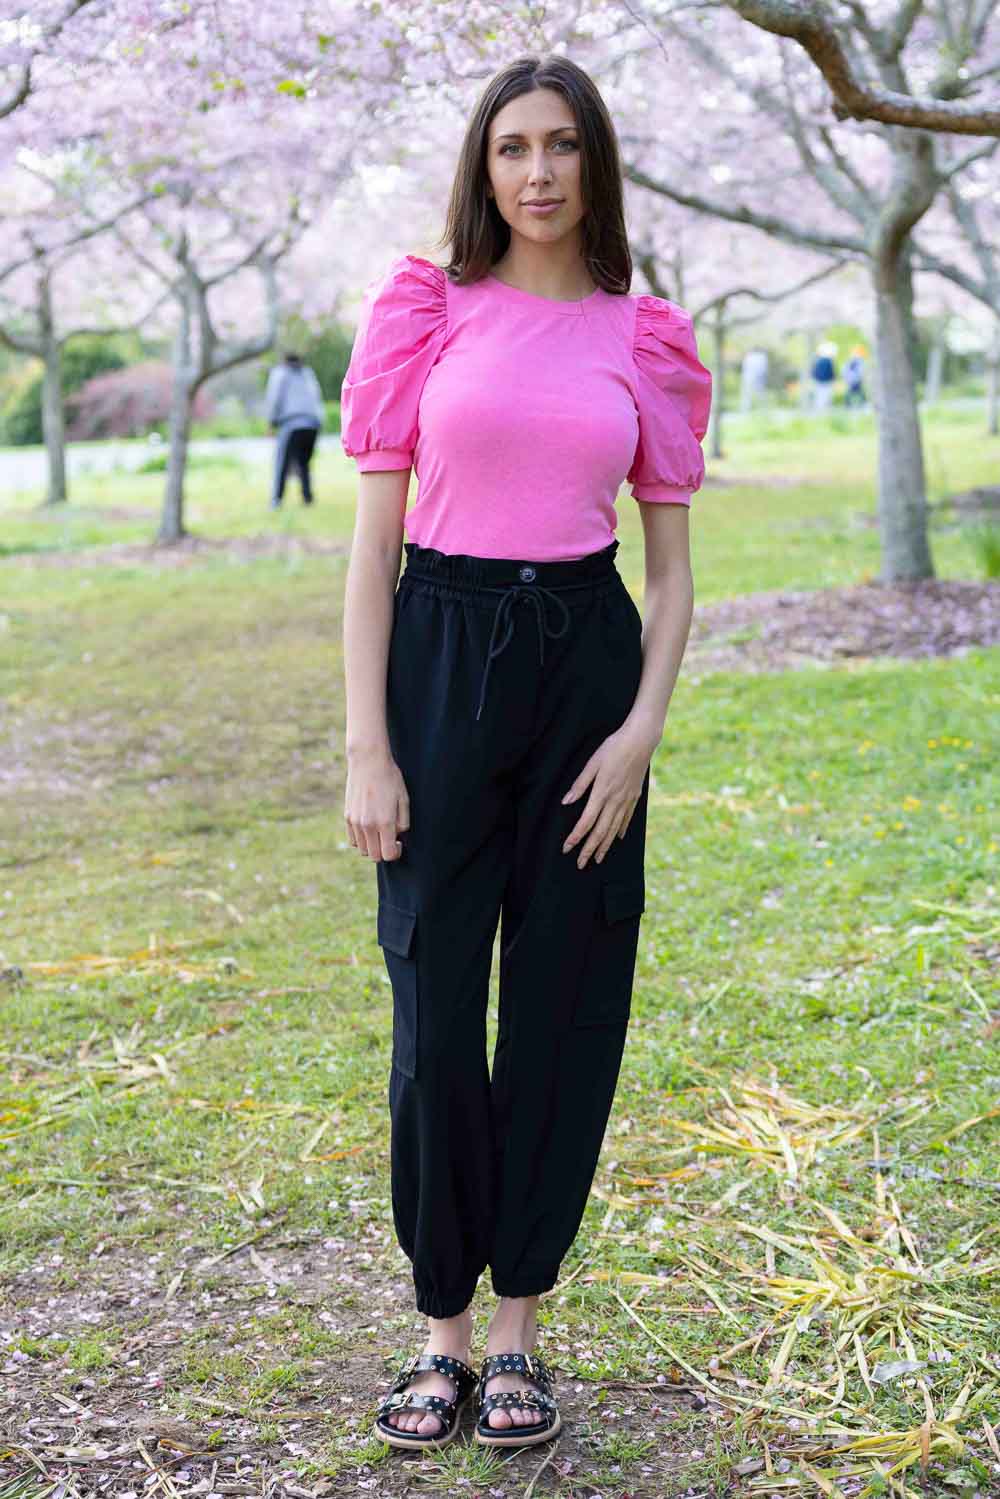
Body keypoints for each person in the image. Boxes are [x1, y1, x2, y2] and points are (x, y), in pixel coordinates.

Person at [339, 53, 711, 1455]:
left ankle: (513, 1334)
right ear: (483, 167)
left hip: (585, 671)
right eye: (513, 148)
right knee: (435, 1010)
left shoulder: (643, 335)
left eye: (561, 146)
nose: (538, 172)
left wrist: (639, 733)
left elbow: (669, 573)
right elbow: (372, 550)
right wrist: (368, 743)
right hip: (439, 654)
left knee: (563, 1001)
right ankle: (438, 1326)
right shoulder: (425, 310)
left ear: (594, 163)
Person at [265, 352, 324, 508]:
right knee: (304, 463)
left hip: (291, 423)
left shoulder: (280, 373)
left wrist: (271, 422)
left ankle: (276, 500)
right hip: (312, 424)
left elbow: (274, 398)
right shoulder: (308, 373)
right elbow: (317, 397)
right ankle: (307, 498)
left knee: (282, 463)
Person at [810, 341, 837, 412]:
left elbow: (814, 371)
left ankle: (820, 410)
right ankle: (822, 410)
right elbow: (831, 372)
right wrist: (833, 379)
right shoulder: (828, 361)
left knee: (819, 397)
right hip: (826, 382)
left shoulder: (818, 360)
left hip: (819, 381)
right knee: (825, 397)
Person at [740, 346, 769, 411]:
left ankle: (761, 408)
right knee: (753, 393)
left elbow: (745, 367)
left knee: (757, 393)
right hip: (753, 377)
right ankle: (747, 408)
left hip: (752, 377)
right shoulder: (761, 357)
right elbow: (764, 369)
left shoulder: (753, 356)